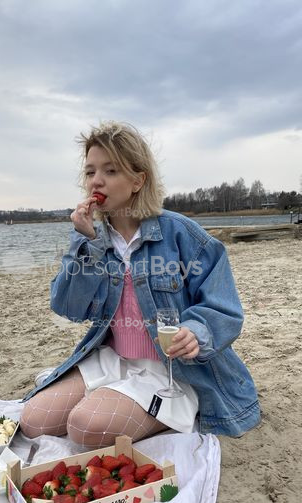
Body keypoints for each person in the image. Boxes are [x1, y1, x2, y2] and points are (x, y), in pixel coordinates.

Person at [20, 121, 260, 447]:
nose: (96, 180)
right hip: (113, 359)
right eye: (90, 172)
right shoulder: (94, 239)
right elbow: (68, 308)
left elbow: (224, 307)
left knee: (84, 426)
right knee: (33, 420)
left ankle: (174, 410)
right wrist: (86, 244)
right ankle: (117, 399)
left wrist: (196, 332)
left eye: (111, 170)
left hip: (173, 370)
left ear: (138, 180)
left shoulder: (181, 234)